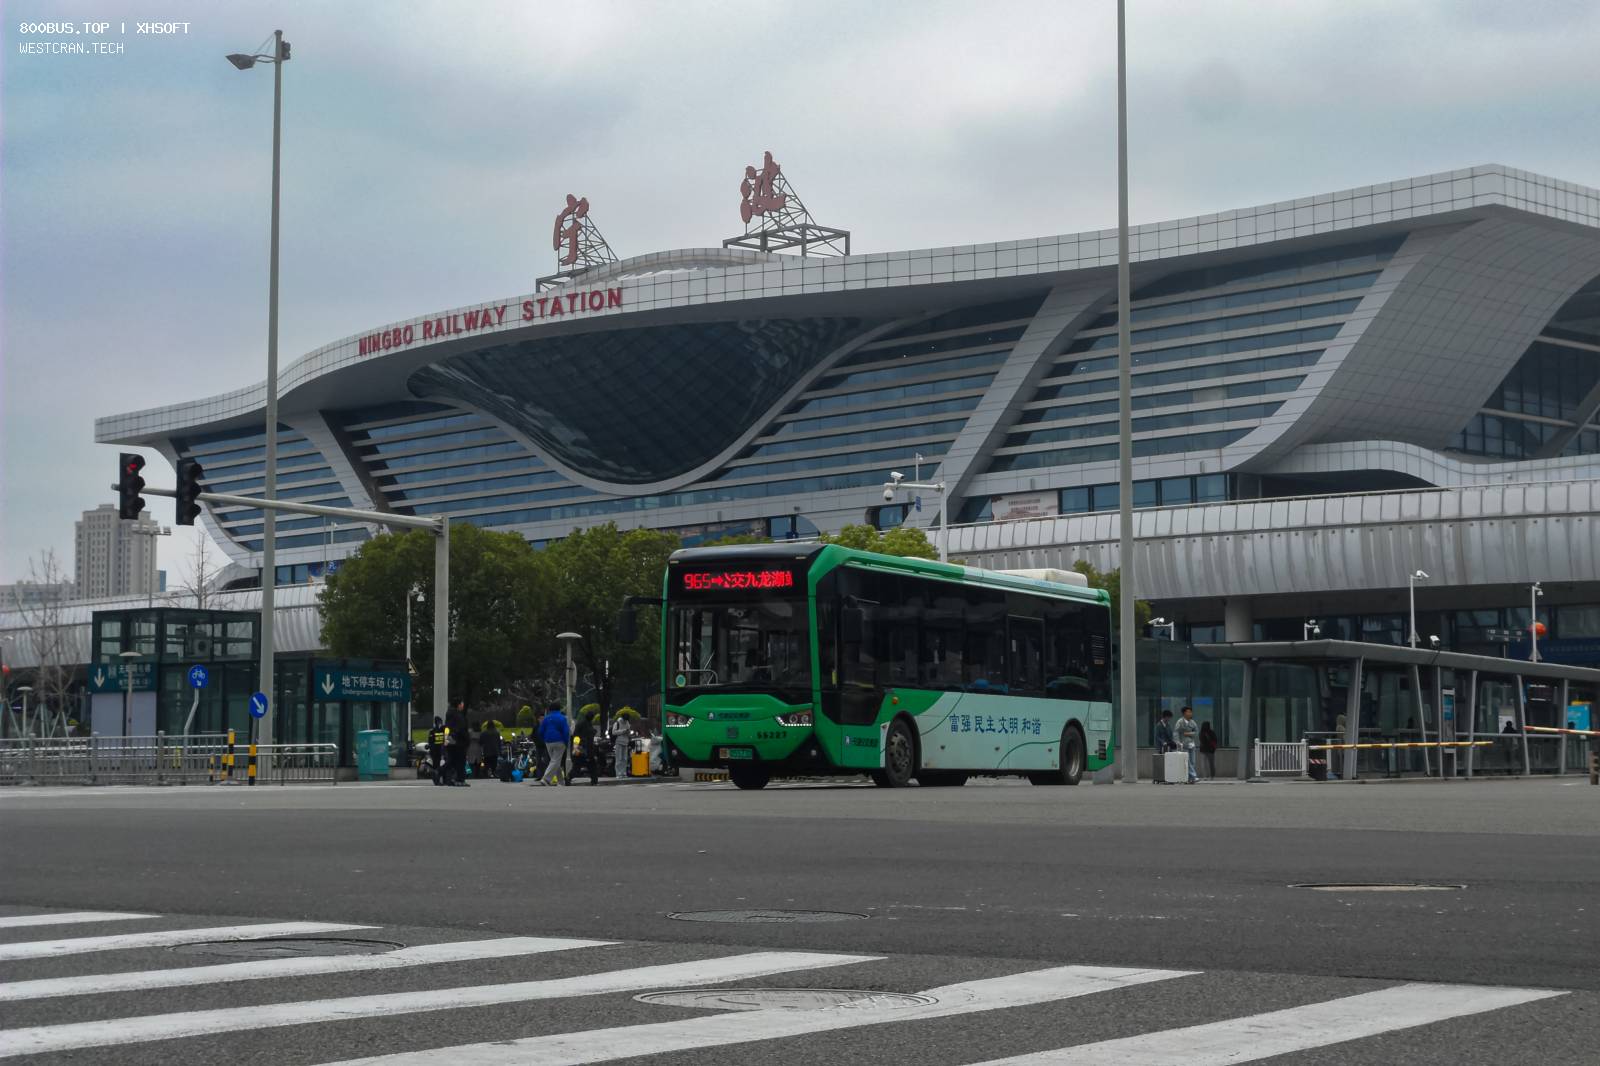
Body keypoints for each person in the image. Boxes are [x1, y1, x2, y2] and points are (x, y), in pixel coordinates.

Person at [538, 703, 571, 786]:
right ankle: (546, 779)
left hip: (548, 742)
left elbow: (541, 731)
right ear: (559, 709)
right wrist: (566, 742)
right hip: (559, 741)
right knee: (555, 761)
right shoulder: (562, 718)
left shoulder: (546, 718)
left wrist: (544, 739)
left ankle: (561, 782)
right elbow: (566, 731)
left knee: (555, 761)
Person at [445, 701, 470, 787]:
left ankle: (451, 778)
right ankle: (460, 779)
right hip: (459, 741)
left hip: (451, 739)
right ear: (458, 705)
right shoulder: (458, 716)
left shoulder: (449, 714)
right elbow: (461, 729)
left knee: (452, 760)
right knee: (460, 761)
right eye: (462, 703)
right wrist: (467, 739)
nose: (463, 705)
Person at [1174, 705, 1200, 784]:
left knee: (1192, 761)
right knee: (1187, 761)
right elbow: (1176, 732)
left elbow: (1197, 733)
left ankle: (1189, 778)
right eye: (1188, 712)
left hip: (1192, 744)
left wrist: (1188, 733)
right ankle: (1194, 776)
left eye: (1190, 712)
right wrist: (1177, 742)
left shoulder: (1193, 722)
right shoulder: (1180, 722)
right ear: (1184, 713)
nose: (1190, 713)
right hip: (1183, 745)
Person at [577, 713, 601, 785]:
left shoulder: (581, 723)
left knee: (578, 764)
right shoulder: (587, 725)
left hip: (581, 746)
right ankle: (594, 781)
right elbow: (590, 734)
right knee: (592, 765)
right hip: (587, 747)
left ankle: (570, 776)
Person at [609, 713, 632, 780]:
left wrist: (628, 732)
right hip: (619, 742)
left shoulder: (627, 723)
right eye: (625, 719)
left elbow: (629, 731)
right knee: (619, 758)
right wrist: (623, 731)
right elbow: (613, 732)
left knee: (624, 759)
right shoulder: (617, 723)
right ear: (622, 718)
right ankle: (618, 773)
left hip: (625, 742)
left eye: (627, 720)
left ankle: (623, 773)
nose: (625, 721)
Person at [427, 716, 447, 787]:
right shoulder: (434, 731)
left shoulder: (441, 730)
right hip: (437, 751)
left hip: (439, 750)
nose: (440, 723)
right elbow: (431, 742)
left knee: (440, 766)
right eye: (439, 722)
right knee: (437, 766)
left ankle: (440, 780)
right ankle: (437, 780)